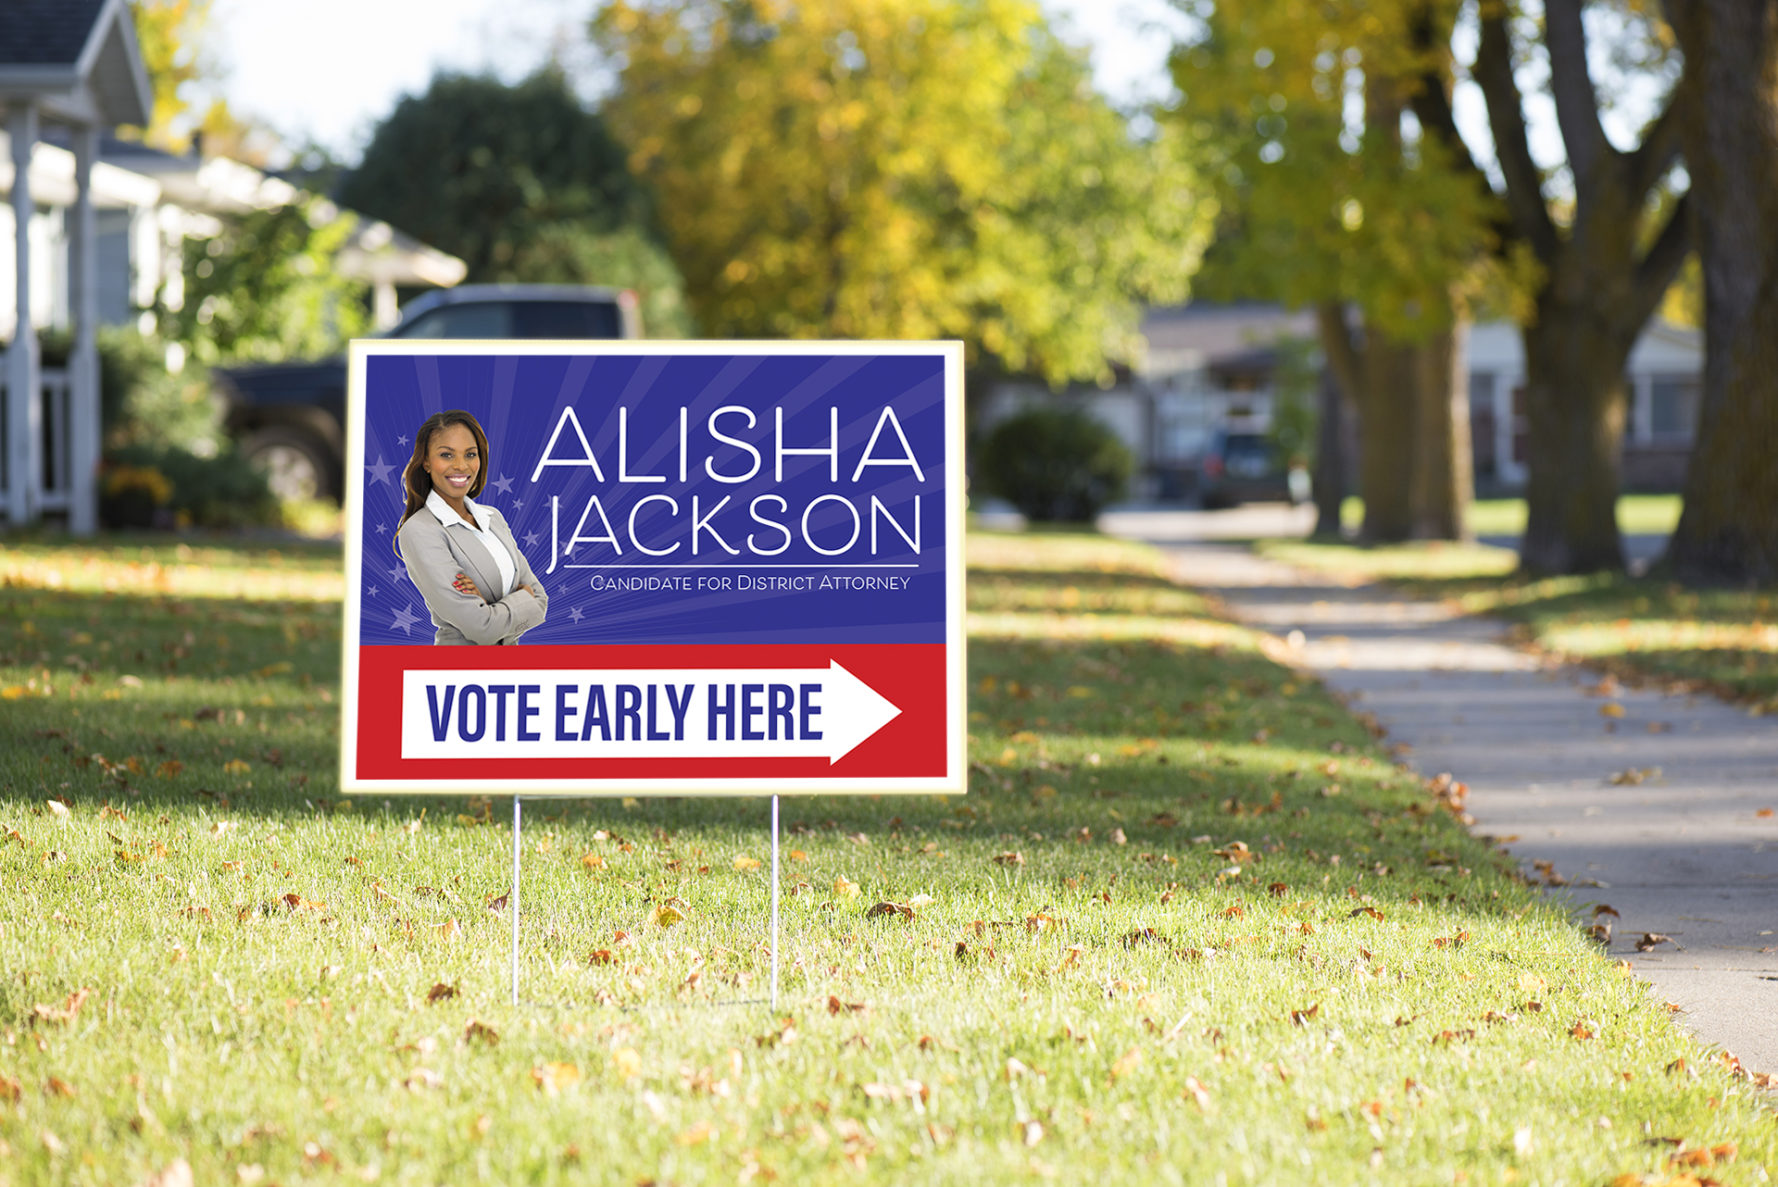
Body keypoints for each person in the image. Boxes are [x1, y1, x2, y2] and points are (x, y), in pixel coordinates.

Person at [394, 410, 548, 644]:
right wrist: (521, 600)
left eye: (470, 454)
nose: (460, 466)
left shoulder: (492, 518)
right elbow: (482, 628)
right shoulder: (420, 530)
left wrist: (492, 609)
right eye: (446, 455)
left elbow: (540, 601)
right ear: (426, 462)